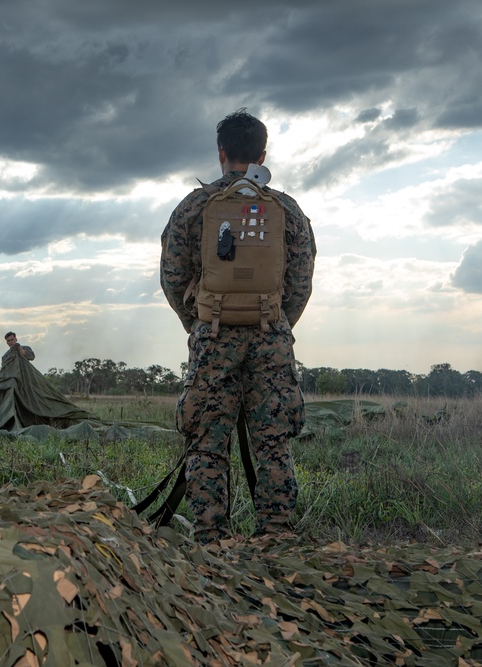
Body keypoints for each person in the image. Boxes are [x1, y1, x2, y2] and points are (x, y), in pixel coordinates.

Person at [160, 108, 316, 543]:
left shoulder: (193, 207)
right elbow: (300, 283)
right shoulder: (285, 209)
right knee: (273, 441)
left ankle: (212, 541)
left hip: (213, 338)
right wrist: (273, 319)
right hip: (270, 338)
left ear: (221, 152)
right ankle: (275, 536)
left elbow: (172, 277)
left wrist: (203, 321)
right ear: (263, 154)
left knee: (207, 441)